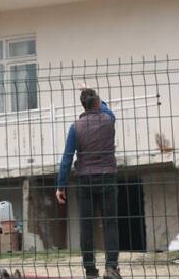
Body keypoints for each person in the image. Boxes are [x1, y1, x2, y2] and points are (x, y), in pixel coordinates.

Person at [55, 87, 120, 279]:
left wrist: (61, 186)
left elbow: (67, 158)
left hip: (85, 180)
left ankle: (91, 271)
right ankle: (111, 267)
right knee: (111, 224)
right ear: (97, 102)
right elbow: (107, 110)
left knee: (86, 226)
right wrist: (99, 100)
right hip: (108, 176)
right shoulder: (109, 120)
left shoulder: (75, 127)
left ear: (82, 105)